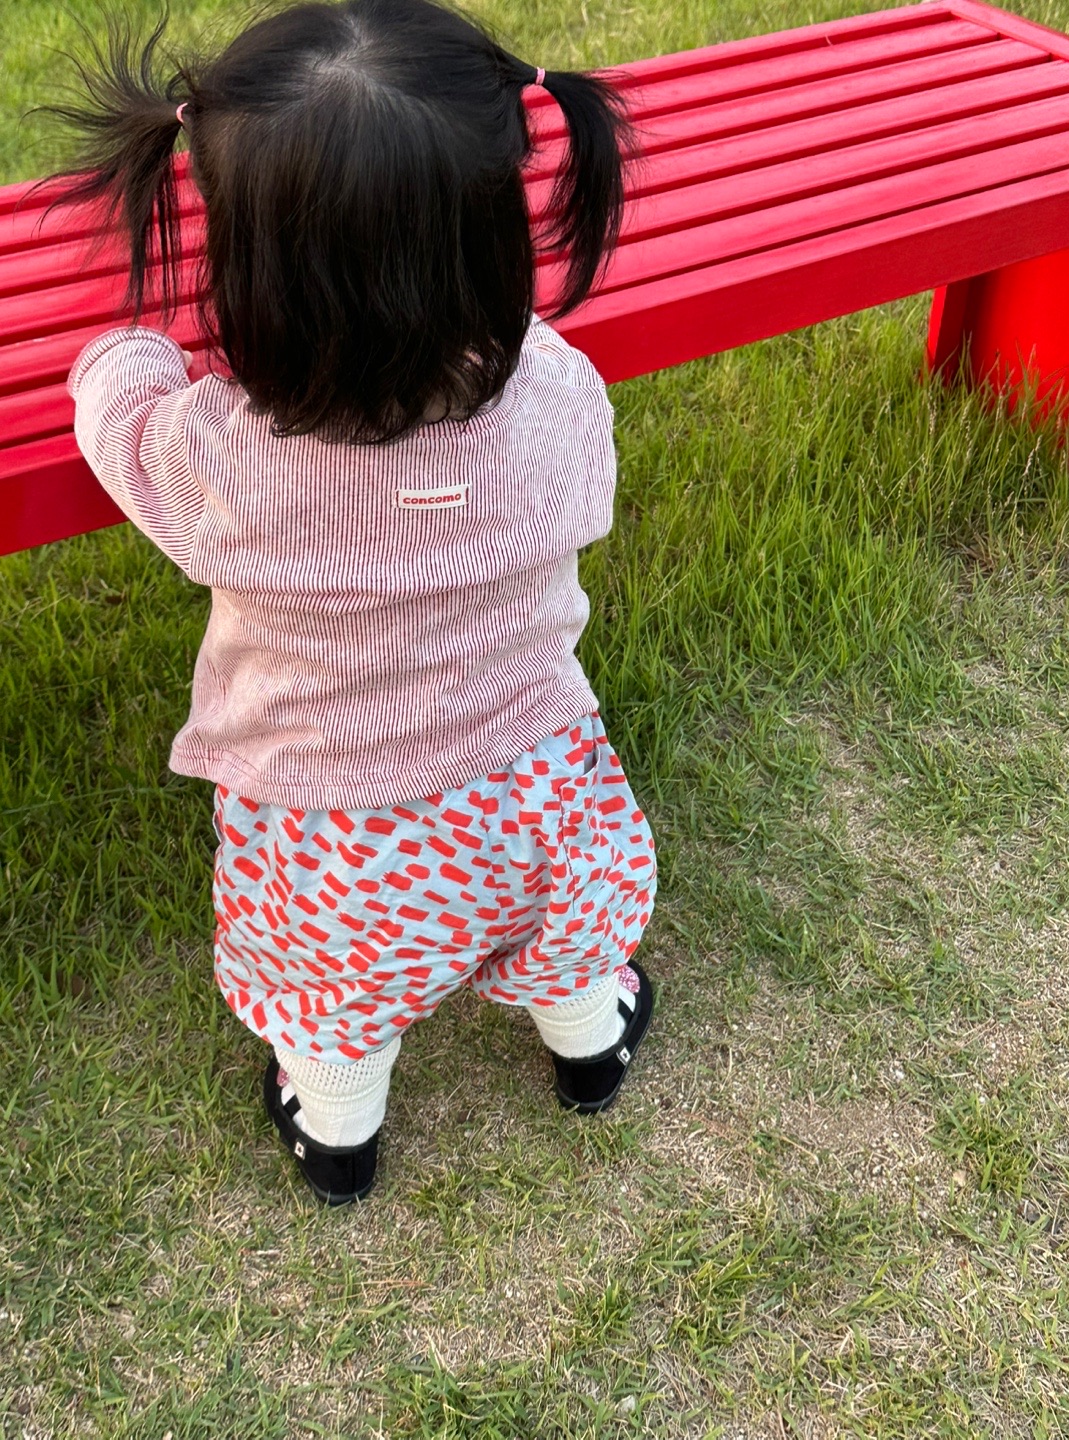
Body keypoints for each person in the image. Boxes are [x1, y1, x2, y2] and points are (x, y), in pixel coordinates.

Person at [57, 0, 656, 1205]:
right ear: (490, 234)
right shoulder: (557, 393)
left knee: (336, 994)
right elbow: (552, 421)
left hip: (338, 838)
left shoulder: (218, 457)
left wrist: (125, 356)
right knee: (567, 927)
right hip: (537, 781)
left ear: (251, 265)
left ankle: (338, 1136)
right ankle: (591, 1046)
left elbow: (112, 405)